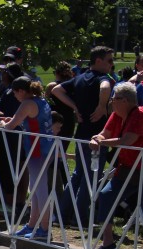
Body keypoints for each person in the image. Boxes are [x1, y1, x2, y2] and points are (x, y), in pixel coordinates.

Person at [50, 45, 115, 230]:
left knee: (78, 174)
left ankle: (63, 215)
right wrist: (102, 106)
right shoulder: (103, 78)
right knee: (91, 177)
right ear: (98, 61)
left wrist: (75, 107)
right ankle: (80, 218)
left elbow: (56, 90)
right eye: (109, 60)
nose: (112, 64)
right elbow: (105, 87)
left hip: (81, 134)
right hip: (97, 137)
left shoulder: (79, 78)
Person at [86, 81, 143, 249]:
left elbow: (128, 140)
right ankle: (108, 242)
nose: (111, 102)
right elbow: (104, 134)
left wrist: (101, 142)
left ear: (124, 100)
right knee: (106, 196)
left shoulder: (139, 115)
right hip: (127, 167)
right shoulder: (117, 115)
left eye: (114, 99)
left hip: (141, 168)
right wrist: (96, 138)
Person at [0, 77, 56, 239]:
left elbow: (10, 126)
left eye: (15, 92)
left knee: (40, 189)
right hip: (46, 147)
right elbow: (29, 121)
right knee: (36, 187)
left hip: (38, 149)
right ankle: (32, 224)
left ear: (22, 91)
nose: (14, 96)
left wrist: (4, 124)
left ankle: (45, 228)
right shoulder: (41, 100)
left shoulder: (27, 103)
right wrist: (12, 121)